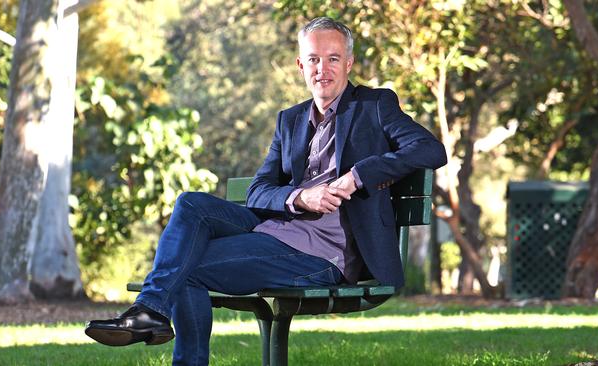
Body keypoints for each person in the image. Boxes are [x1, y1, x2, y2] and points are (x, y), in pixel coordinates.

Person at [85, 17, 447, 366]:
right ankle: (151, 312)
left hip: (322, 255)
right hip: (274, 230)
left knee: (187, 268)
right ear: (300, 66)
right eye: (313, 59)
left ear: (349, 63)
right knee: (190, 203)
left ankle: (150, 315)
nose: (323, 68)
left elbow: (430, 150)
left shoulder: (375, 106)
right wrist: (298, 198)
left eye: (333, 58)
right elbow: (259, 190)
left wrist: (357, 176)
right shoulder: (289, 120)